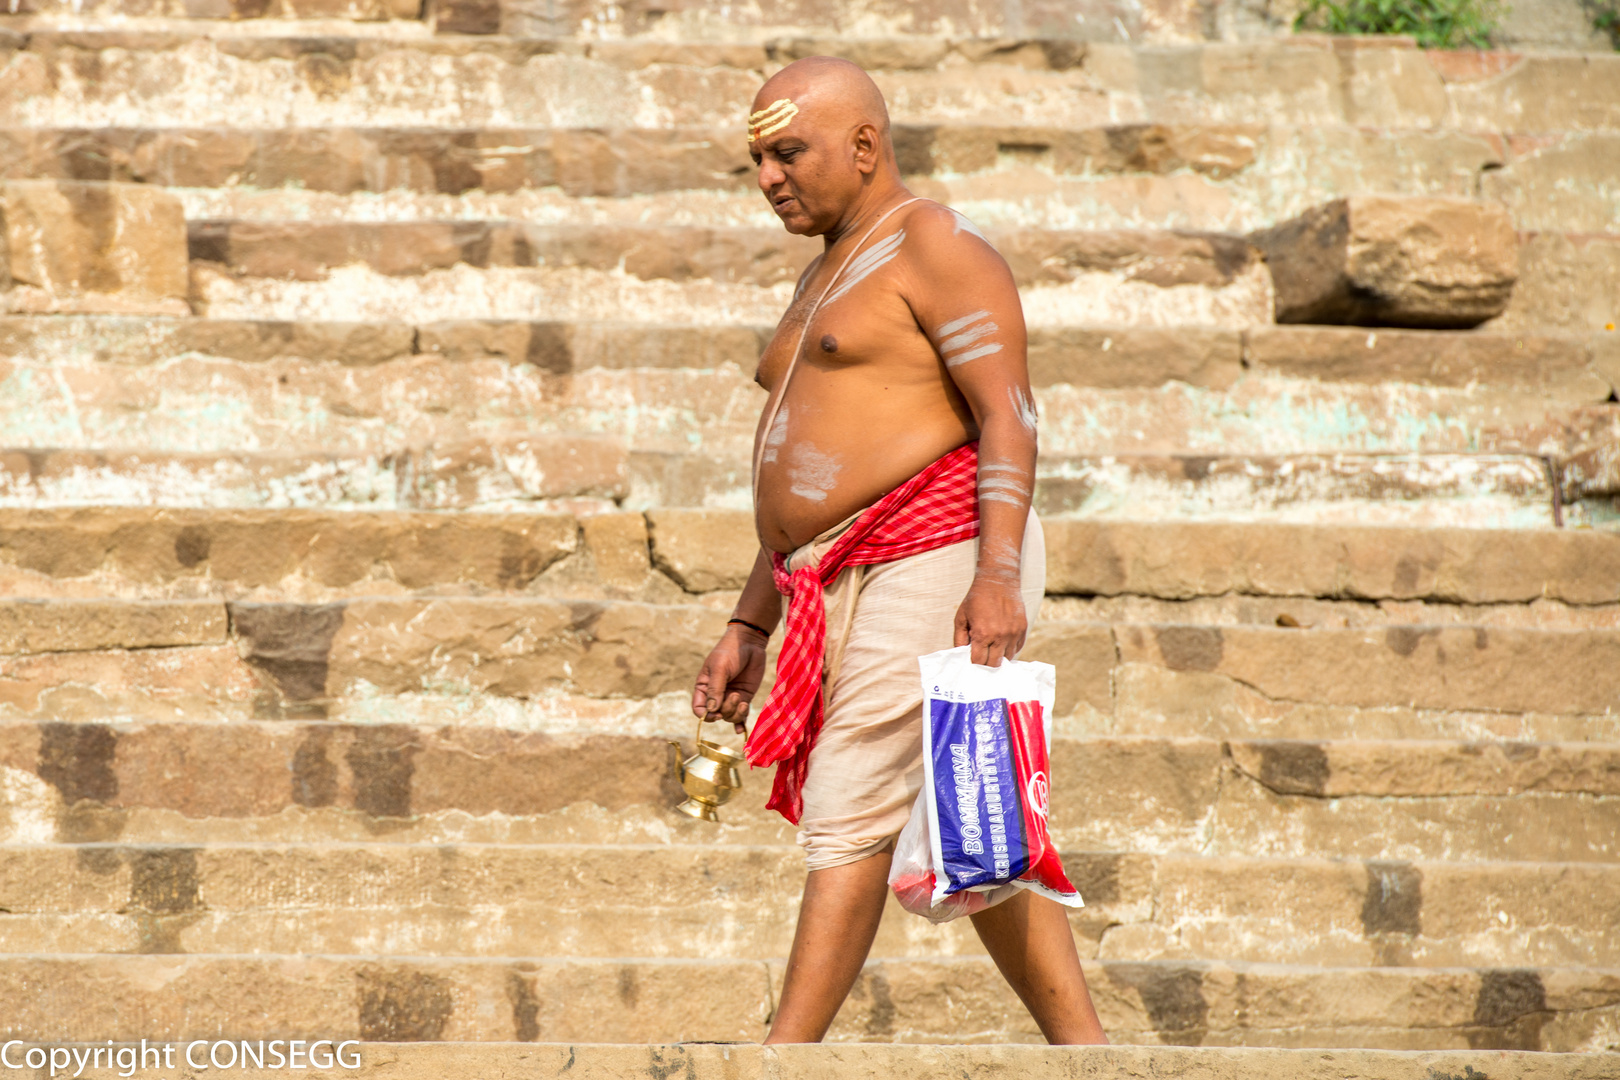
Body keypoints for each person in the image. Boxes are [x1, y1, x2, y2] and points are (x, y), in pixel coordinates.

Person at [689, 56, 1108, 1046]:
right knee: (980, 835)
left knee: (851, 797)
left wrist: (998, 575)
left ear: (865, 146)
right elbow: (800, 485)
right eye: (757, 159)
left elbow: (1007, 415)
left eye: (788, 151)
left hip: (940, 547)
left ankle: (782, 1059)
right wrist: (754, 618)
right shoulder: (826, 266)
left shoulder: (935, 244)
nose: (768, 178)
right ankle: (1088, 1056)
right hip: (828, 571)